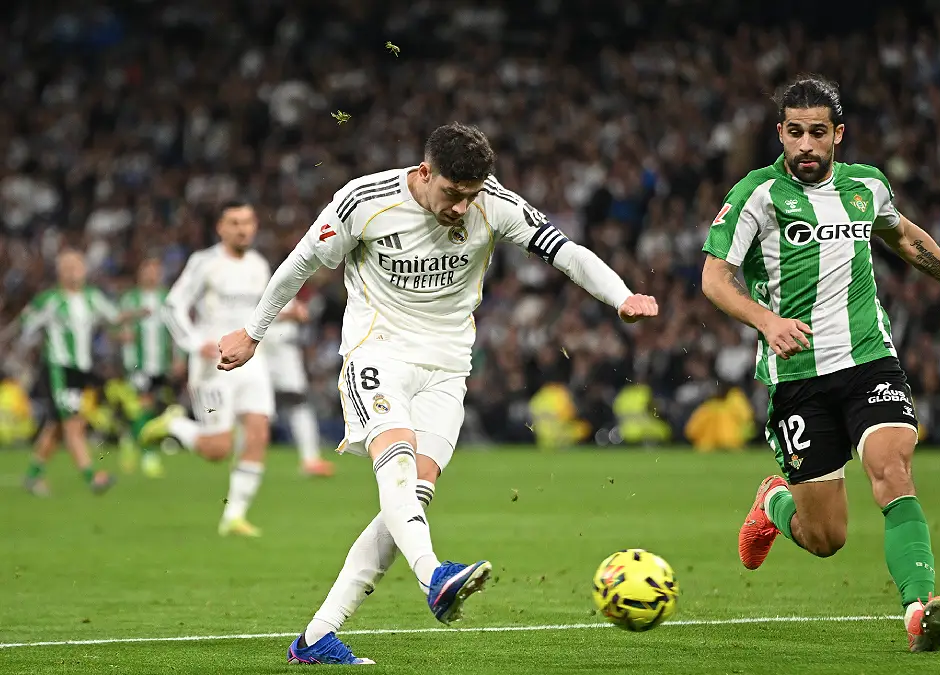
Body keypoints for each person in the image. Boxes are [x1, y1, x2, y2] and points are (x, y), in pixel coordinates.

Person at [216, 122, 657, 665]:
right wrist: (253, 332)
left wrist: (621, 296)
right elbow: (300, 263)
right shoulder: (364, 201)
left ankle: (315, 638)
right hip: (377, 352)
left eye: (471, 195)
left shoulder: (493, 203)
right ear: (425, 174)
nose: (462, 207)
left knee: (406, 503)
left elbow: (565, 252)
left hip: (448, 367)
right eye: (453, 193)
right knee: (396, 466)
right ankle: (435, 575)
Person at [701, 74, 940, 653]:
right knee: (826, 538)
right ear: (780, 133)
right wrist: (766, 322)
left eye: (816, 133)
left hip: (870, 360)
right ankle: (774, 500)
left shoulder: (866, 187)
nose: (804, 145)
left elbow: (904, 237)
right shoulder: (757, 194)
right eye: (794, 133)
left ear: (837, 135)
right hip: (797, 377)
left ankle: (919, 610)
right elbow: (714, 277)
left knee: (892, 469)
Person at [143, 201, 277, 537]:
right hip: (212, 364)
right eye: (234, 222)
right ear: (220, 227)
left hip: (251, 361)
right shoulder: (204, 263)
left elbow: (259, 311)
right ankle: (174, 423)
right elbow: (172, 306)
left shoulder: (260, 265)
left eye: (247, 221)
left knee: (258, 432)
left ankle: (234, 516)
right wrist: (193, 342)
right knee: (218, 449)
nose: (242, 229)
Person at [19, 249, 129, 496]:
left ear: (85, 270)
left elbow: (113, 317)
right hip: (59, 368)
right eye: (67, 267)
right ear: (59, 272)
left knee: (57, 427)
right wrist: (33, 338)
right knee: (73, 424)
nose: (73, 271)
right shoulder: (49, 299)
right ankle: (92, 477)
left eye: (77, 266)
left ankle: (33, 475)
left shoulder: (92, 297)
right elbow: (28, 326)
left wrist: (138, 316)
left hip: (80, 369)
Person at [259, 289, 337, 477]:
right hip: (265, 350)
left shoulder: (291, 293)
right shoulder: (265, 289)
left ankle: (310, 460)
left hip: (286, 350)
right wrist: (289, 315)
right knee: (256, 405)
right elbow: (252, 315)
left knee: (297, 402)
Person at [114, 256, 180, 478]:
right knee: (144, 405)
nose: (152, 274)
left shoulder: (167, 299)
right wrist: (121, 336)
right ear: (140, 273)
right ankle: (149, 455)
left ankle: (129, 441)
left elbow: (176, 331)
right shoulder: (130, 299)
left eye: (156, 270)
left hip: (160, 364)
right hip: (136, 363)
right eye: (148, 269)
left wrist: (179, 357)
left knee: (152, 410)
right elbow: (115, 327)